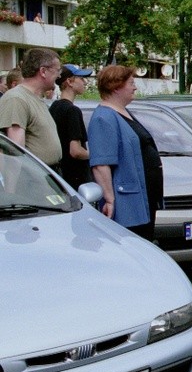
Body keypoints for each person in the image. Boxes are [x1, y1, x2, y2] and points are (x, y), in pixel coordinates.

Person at [88, 65, 162, 240]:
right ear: (116, 87)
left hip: (142, 198)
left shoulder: (122, 111)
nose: (135, 87)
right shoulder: (103, 117)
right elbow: (101, 164)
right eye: (131, 83)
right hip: (126, 203)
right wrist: (109, 199)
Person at [0, 48, 62, 168]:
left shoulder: (34, 98)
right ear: (43, 71)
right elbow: (15, 155)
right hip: (32, 179)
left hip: (45, 175)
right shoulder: (17, 99)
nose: (59, 75)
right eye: (57, 70)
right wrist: (11, 187)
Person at [49, 64, 93, 189]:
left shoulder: (54, 107)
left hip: (60, 175)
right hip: (76, 178)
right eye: (81, 78)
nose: (84, 82)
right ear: (69, 82)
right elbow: (75, 151)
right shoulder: (72, 111)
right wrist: (96, 155)